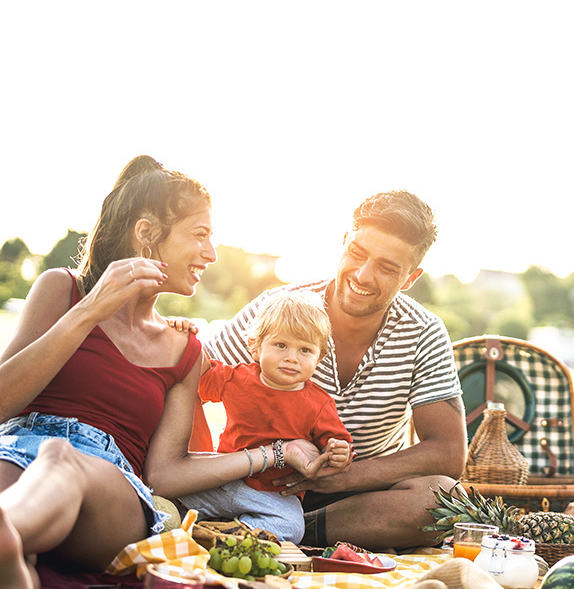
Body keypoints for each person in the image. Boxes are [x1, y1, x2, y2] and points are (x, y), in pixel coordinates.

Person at [0, 156, 335, 589]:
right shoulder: (61, 290)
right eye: (200, 235)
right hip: (16, 447)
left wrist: (273, 453)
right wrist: (88, 312)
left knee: (60, 459)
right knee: (25, 543)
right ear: (146, 235)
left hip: (110, 488)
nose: (212, 254)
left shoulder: (185, 350)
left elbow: (163, 475)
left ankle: (8, 534)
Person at [188, 190, 468, 551]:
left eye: (386, 267)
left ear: (411, 278)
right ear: (343, 243)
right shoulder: (281, 309)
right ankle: (268, 525)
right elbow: (189, 380)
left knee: (443, 498)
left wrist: (342, 478)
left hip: (360, 501)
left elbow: (448, 452)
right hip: (252, 484)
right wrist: (197, 466)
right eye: (357, 253)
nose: (364, 275)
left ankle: (287, 530)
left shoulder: (424, 332)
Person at [178, 291, 353, 543]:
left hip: (272, 495)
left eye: (305, 349)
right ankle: (206, 527)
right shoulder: (236, 379)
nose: (292, 357)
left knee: (293, 526)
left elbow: (336, 444)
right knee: (170, 496)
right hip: (223, 479)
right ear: (255, 347)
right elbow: (198, 375)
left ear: (319, 358)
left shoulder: (319, 404)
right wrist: (186, 336)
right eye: (280, 345)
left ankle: (230, 533)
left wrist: (338, 452)